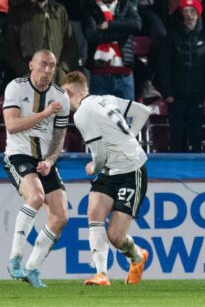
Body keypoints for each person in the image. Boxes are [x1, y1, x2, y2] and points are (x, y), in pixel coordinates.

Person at [60, 70, 150, 286]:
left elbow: (98, 156)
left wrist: (93, 167)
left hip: (131, 170)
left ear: (67, 91)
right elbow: (144, 111)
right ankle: (101, 274)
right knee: (94, 213)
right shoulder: (106, 99)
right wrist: (129, 135)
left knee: (116, 237)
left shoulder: (82, 113)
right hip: (111, 170)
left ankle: (138, 256)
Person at [2, 49, 70, 288]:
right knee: (36, 196)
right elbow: (11, 125)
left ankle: (31, 268)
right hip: (18, 155)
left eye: (52, 66)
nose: (48, 70)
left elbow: (59, 137)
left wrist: (50, 160)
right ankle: (15, 259)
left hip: (43, 161)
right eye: (43, 64)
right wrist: (44, 113)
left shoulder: (61, 96)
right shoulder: (16, 88)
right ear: (31, 65)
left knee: (61, 217)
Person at [157, 0, 205, 152]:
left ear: (198, 13)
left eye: (193, 11)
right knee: (177, 137)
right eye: (186, 10)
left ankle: (197, 174)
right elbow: (165, 66)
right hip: (176, 96)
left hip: (197, 95)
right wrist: (167, 91)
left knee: (197, 136)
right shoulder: (172, 37)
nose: (189, 14)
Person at [3, 0, 81, 84]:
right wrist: (23, 70)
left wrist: (63, 68)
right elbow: (9, 46)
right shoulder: (19, 12)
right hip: (30, 77)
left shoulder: (59, 11)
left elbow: (70, 43)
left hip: (56, 77)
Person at [84, 0, 142, 101]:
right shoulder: (89, 8)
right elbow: (92, 35)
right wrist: (123, 32)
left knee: (126, 120)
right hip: (99, 75)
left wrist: (109, 25)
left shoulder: (126, 4)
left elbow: (137, 25)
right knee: (100, 120)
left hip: (125, 75)